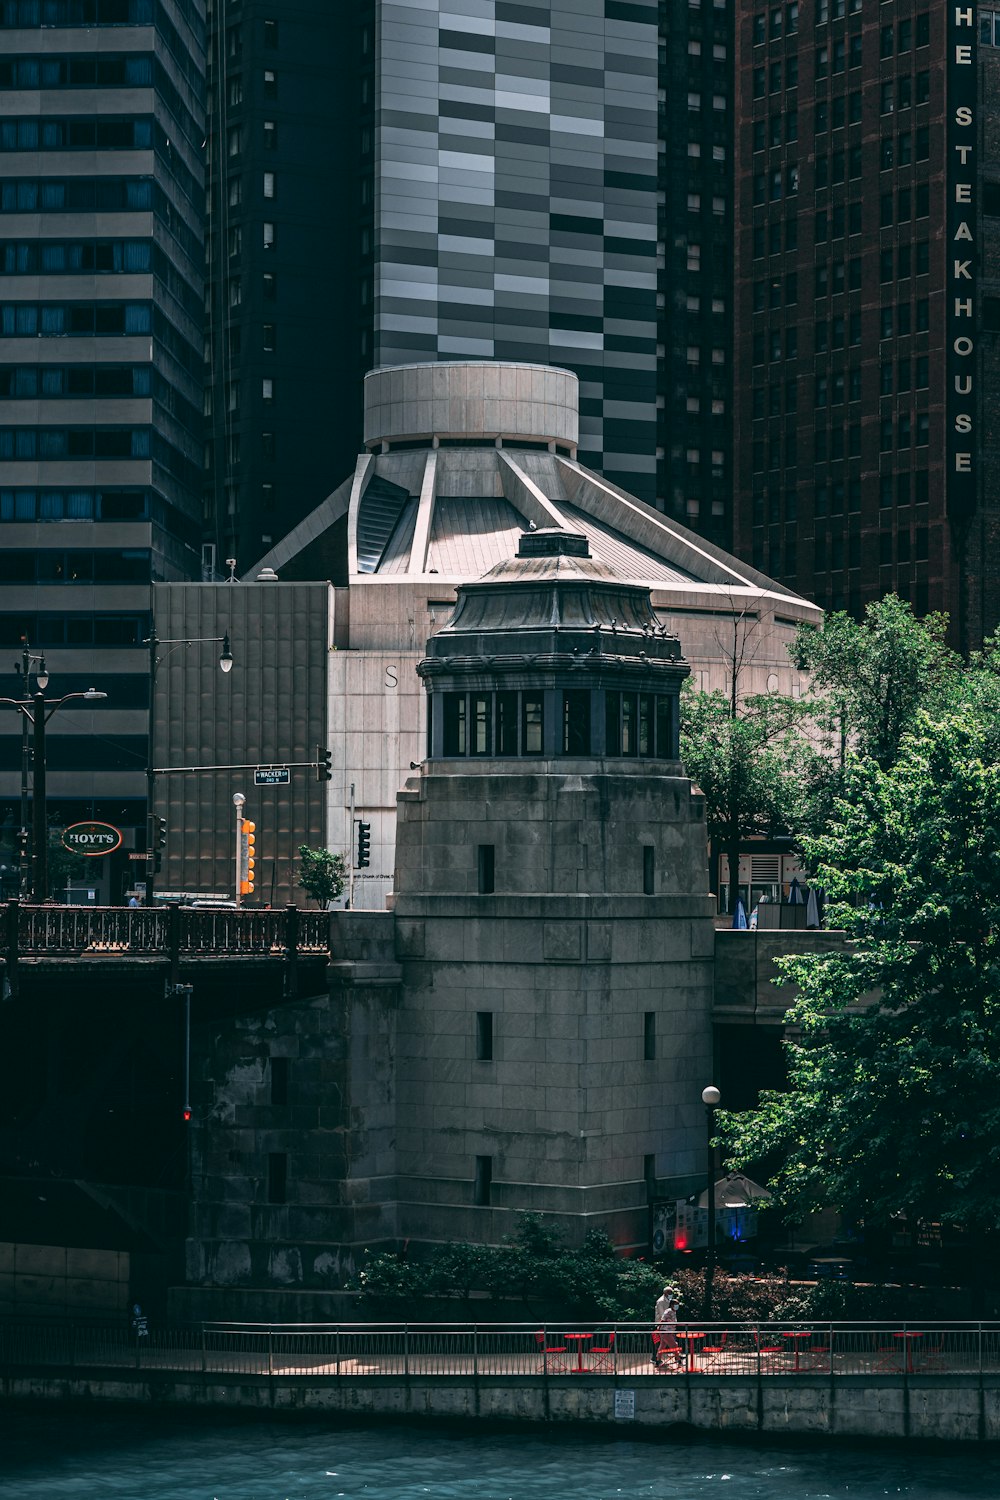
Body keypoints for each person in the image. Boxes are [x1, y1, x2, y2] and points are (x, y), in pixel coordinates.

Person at [652, 1285, 684, 1369]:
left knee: (662, 1346)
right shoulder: (662, 1303)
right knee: (674, 1345)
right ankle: (679, 1360)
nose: (671, 1294)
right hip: (665, 1330)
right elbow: (662, 1317)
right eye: (669, 1293)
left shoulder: (673, 1310)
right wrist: (659, 1327)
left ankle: (657, 1361)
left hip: (669, 1330)